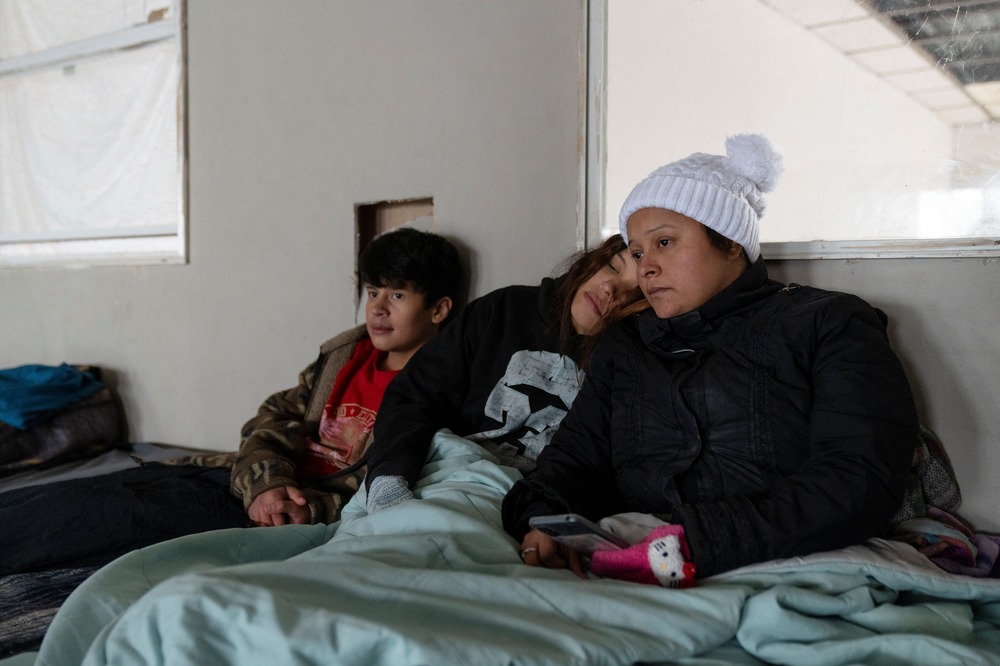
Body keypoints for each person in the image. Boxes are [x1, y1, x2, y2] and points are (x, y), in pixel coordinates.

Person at [502, 134, 919, 587]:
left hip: (774, 558)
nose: (645, 267)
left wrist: (693, 541)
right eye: (638, 251)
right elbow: (573, 460)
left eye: (665, 243)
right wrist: (544, 518)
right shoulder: (627, 344)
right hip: (626, 558)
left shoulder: (828, 322)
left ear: (731, 242)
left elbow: (859, 479)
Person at [364, 234, 641, 512]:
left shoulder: (626, 366)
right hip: (431, 473)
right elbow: (414, 395)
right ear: (591, 262)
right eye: (612, 267)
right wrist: (389, 479)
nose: (609, 288)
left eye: (631, 294)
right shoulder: (505, 309)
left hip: (518, 505)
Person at [230, 227, 462, 526]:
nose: (378, 308)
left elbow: (402, 483)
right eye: (373, 292)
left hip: (323, 512)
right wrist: (268, 482)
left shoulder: (436, 389)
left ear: (439, 309)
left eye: (398, 295)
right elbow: (275, 413)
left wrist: (312, 510)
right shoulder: (346, 356)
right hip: (271, 488)